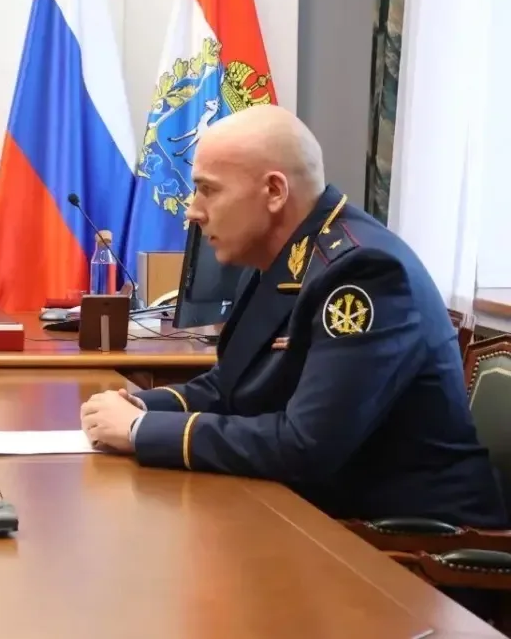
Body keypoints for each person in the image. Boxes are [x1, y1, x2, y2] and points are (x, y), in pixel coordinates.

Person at [80, 105, 505, 530]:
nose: (193, 210)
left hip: (409, 540)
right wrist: (139, 406)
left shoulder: (363, 273)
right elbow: (230, 385)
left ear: (274, 191)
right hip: (320, 511)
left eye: (208, 190)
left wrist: (140, 430)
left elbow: (307, 446)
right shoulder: (280, 256)